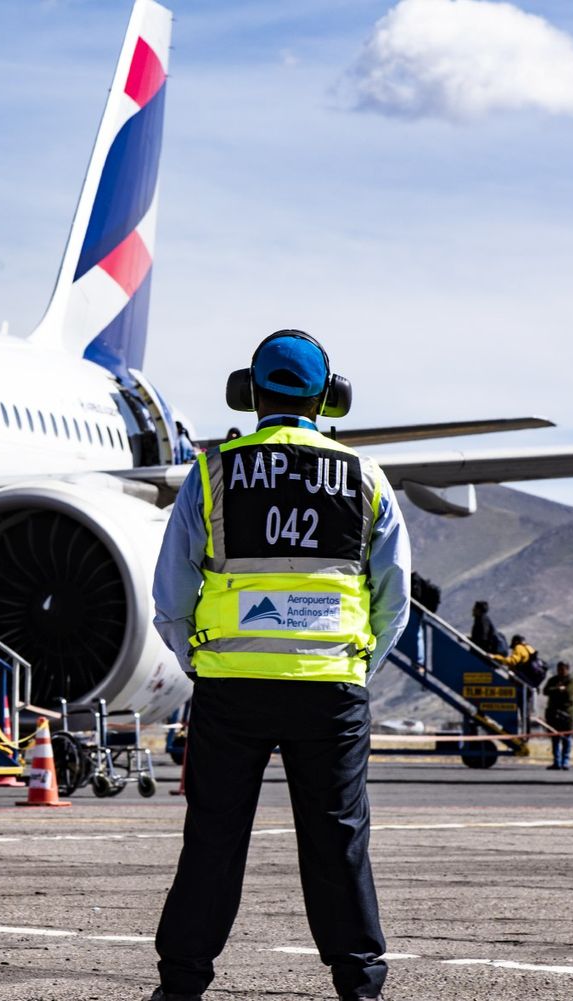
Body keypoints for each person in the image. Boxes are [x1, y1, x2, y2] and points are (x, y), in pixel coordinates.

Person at [150, 329, 411, 1001]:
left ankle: (180, 986)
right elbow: (395, 601)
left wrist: (201, 659)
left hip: (232, 688)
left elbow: (172, 595)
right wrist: (354, 663)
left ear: (249, 390)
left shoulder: (212, 472)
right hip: (330, 690)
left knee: (212, 840)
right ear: (331, 398)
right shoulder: (365, 477)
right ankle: (359, 984)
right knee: (338, 841)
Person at [542, 661, 573, 770]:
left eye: (562, 669)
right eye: (559, 669)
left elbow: (568, 693)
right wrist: (558, 689)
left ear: (567, 669)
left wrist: (557, 691)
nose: (560, 671)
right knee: (555, 738)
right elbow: (546, 691)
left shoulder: (571, 681)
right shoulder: (553, 680)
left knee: (566, 738)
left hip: (566, 714)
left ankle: (565, 761)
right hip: (553, 714)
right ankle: (557, 762)